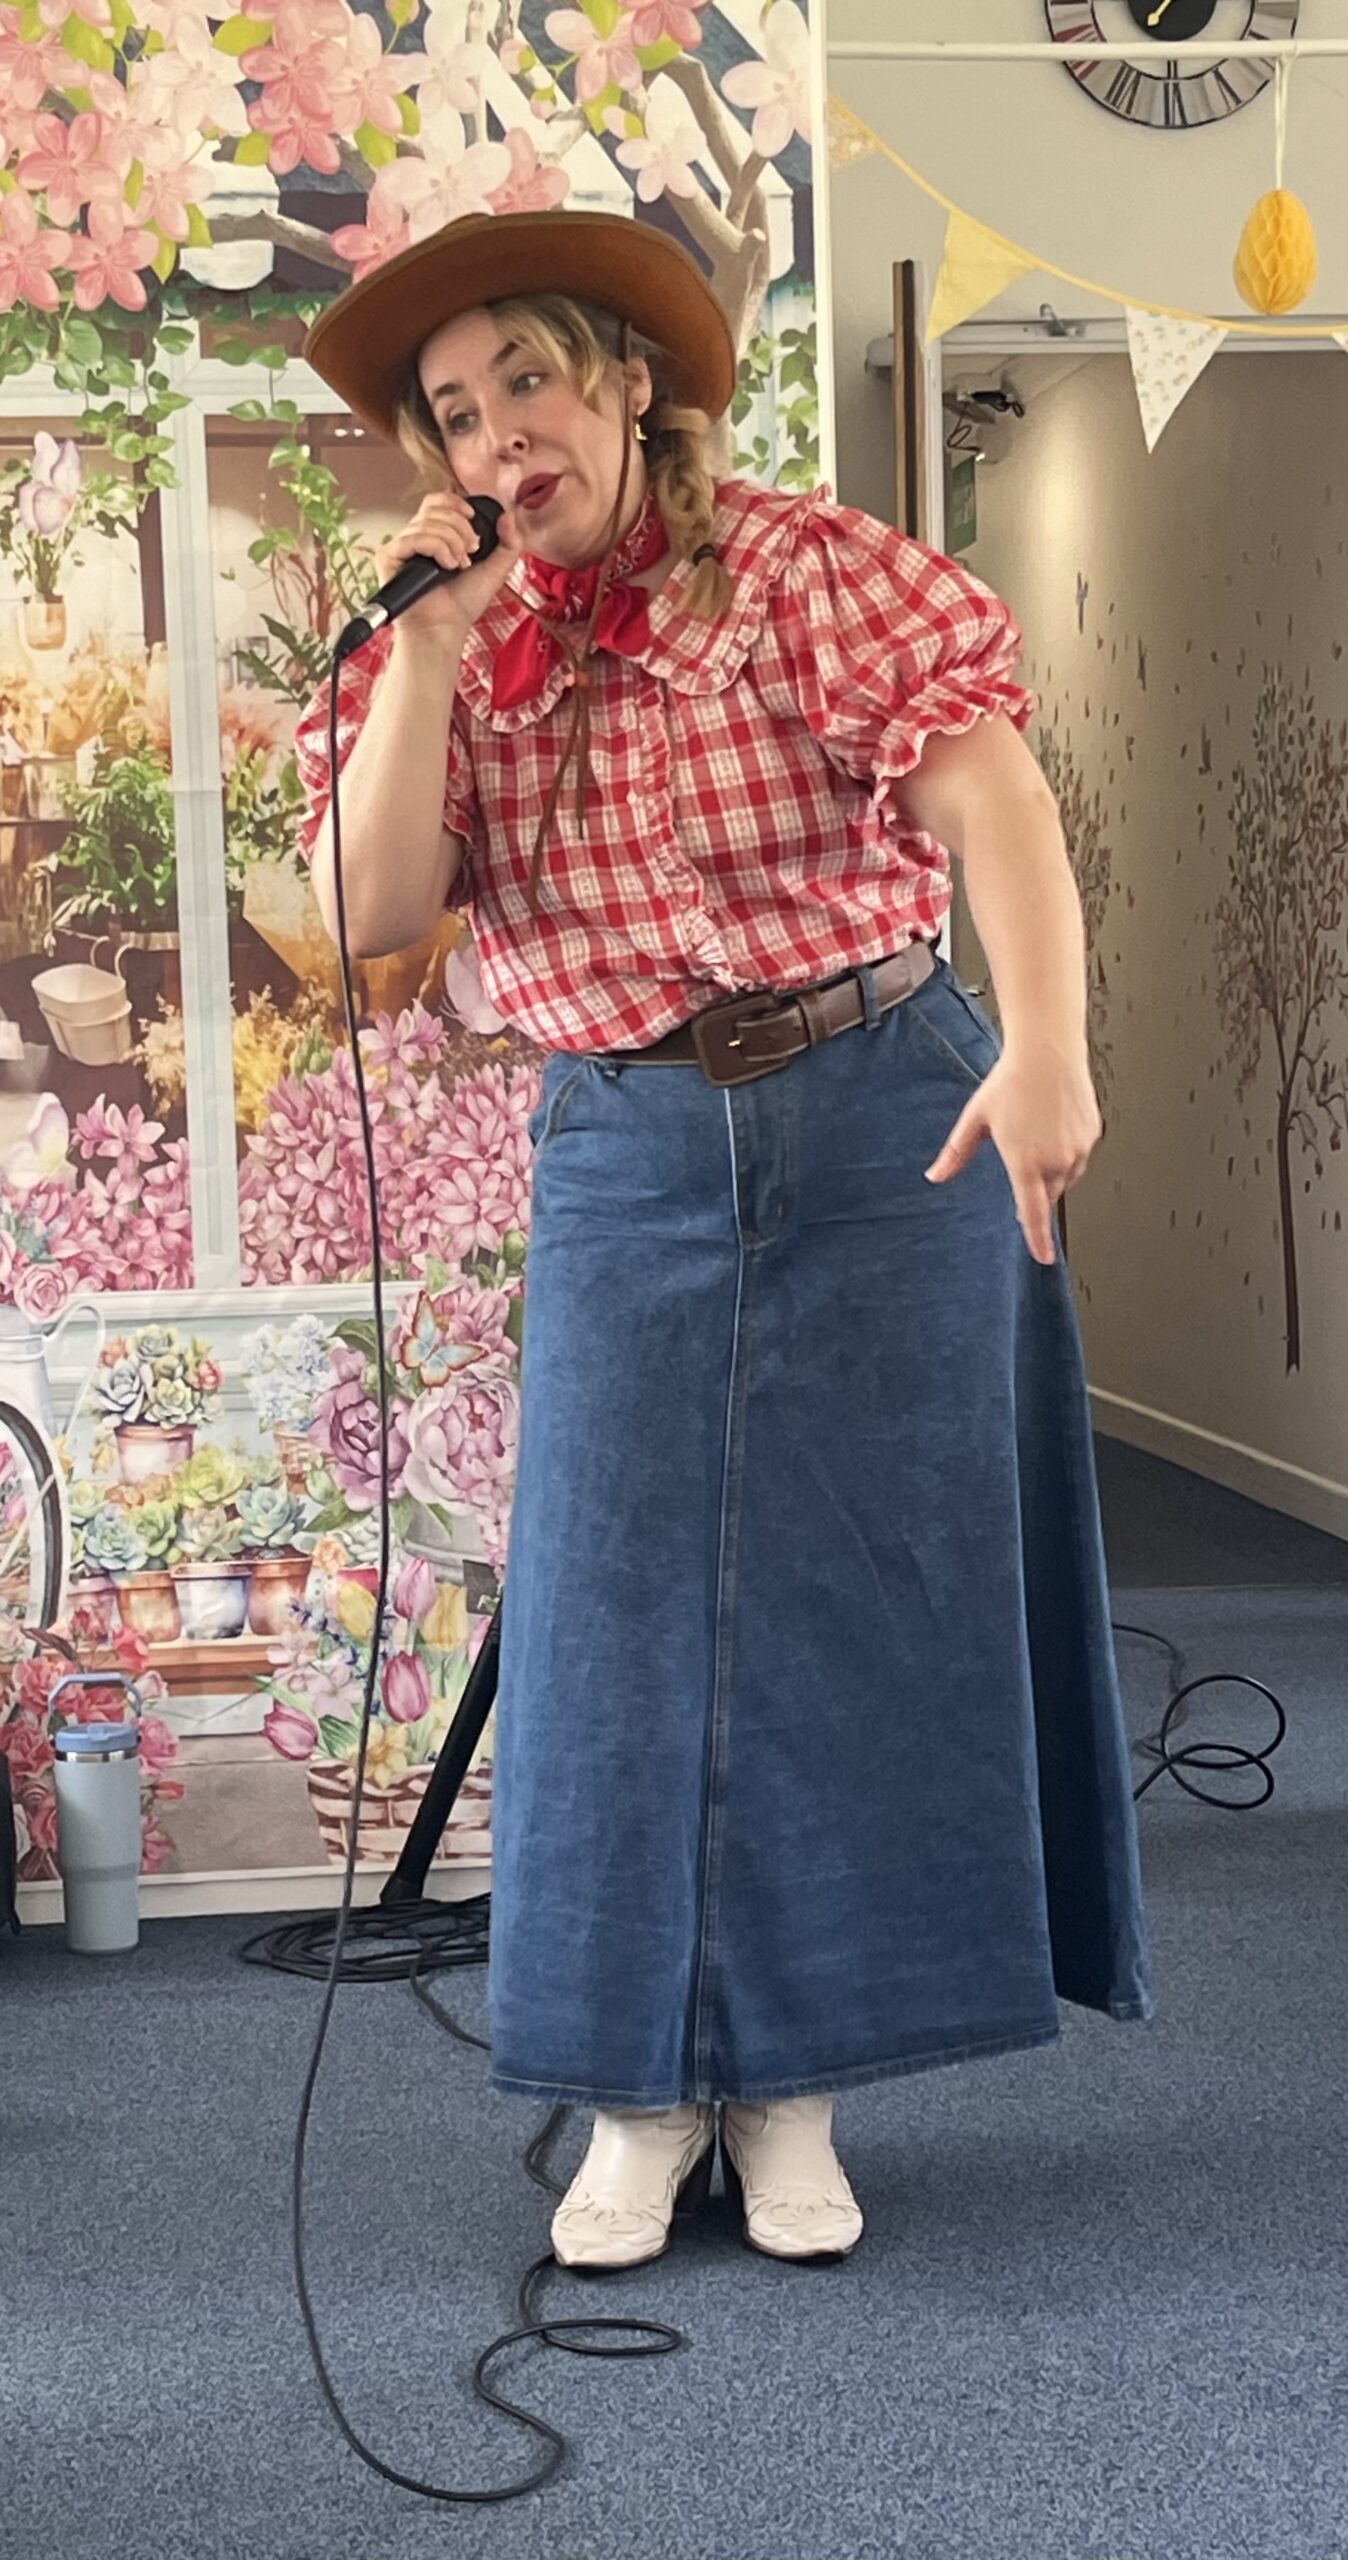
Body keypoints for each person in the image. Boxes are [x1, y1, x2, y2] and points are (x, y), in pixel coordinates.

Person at [294, 207, 1154, 2278]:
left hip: (886, 1109)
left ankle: (791, 2088)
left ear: (619, 381)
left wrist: (1044, 1045)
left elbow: (990, 800)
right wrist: (421, 643)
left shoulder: (801, 573)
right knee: (610, 1620)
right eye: (451, 406)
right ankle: (636, 2089)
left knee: (854, 1609)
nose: (496, 430)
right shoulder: (458, 643)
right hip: (627, 1137)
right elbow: (374, 898)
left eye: (524, 378)